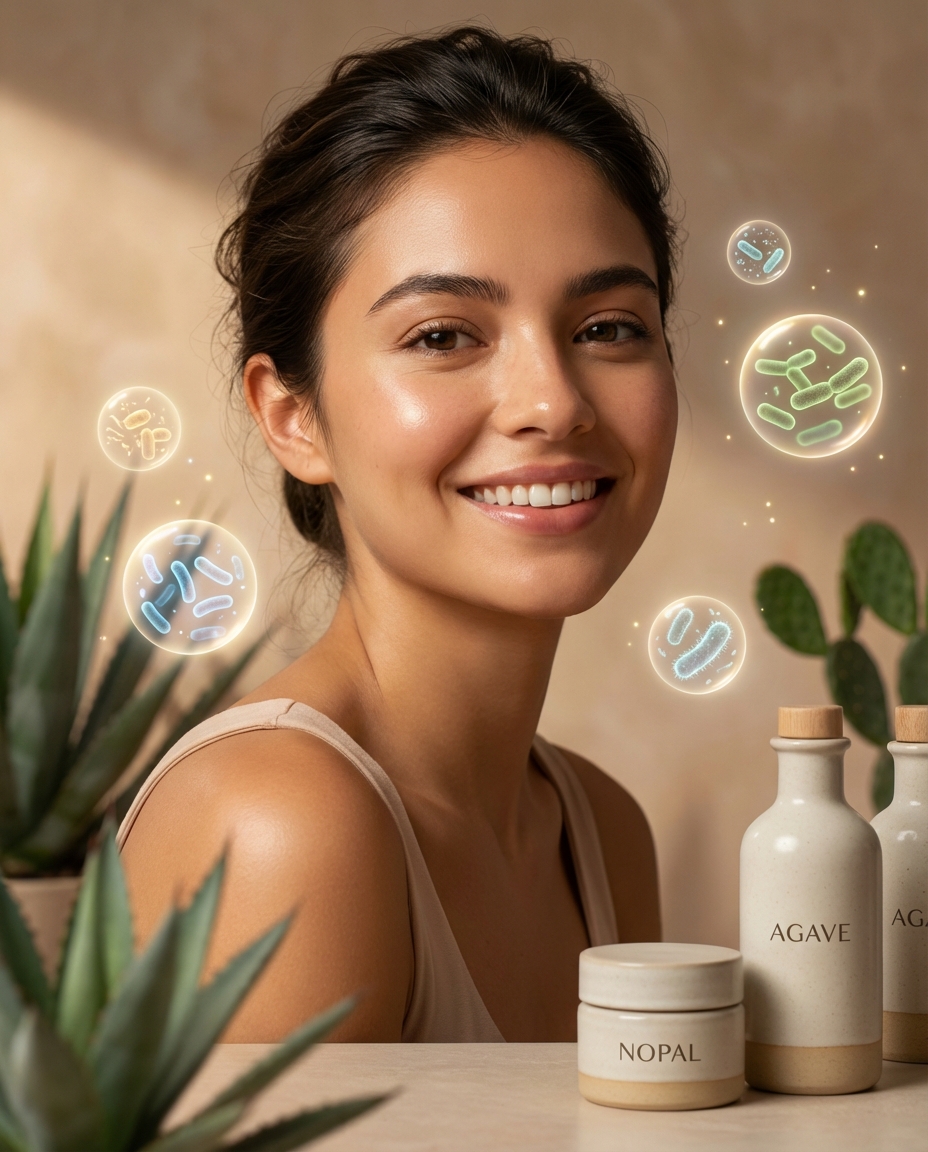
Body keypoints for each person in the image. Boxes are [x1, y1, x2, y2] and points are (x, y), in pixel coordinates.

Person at [120, 26, 678, 1043]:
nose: (553, 402)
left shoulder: (603, 830)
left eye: (608, 327)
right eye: (443, 336)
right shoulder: (286, 825)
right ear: (293, 417)